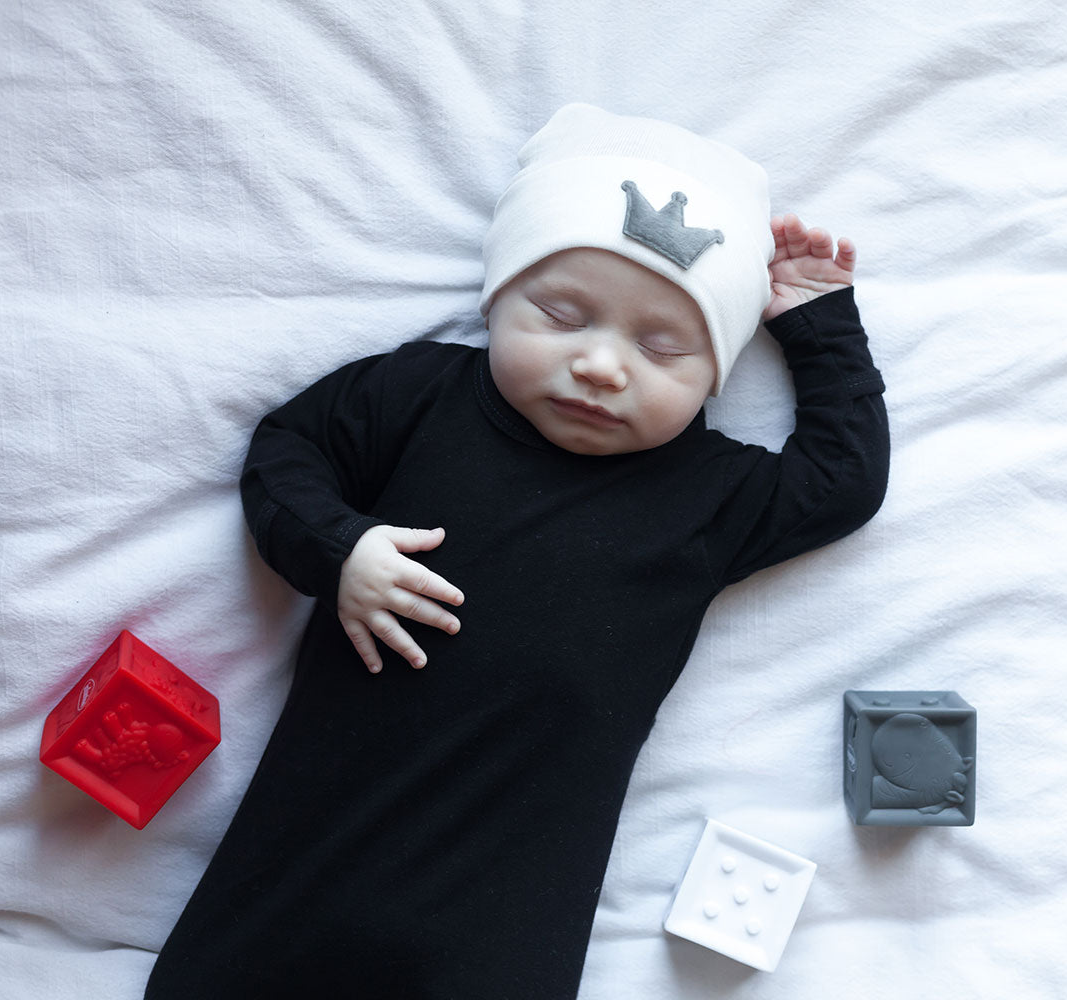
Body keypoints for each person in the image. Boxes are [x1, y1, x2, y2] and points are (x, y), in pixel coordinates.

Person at [145, 103, 887, 999]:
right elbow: (286, 451)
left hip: (510, 894)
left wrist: (816, 325)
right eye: (562, 314)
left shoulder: (710, 495)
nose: (604, 365)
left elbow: (842, 483)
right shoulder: (421, 398)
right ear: (498, 299)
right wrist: (343, 551)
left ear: (714, 379)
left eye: (662, 347)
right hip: (314, 843)